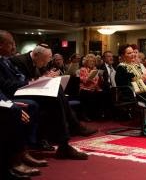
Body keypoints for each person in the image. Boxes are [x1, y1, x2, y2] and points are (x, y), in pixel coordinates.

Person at [0, 30, 90, 160]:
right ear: (1, 45)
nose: (14, 47)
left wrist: (37, 80)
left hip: (23, 89)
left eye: (14, 44)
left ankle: (64, 143)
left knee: (55, 90)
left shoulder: (6, 60)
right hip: (13, 94)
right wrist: (32, 81)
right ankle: (68, 137)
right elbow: (6, 85)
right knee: (53, 95)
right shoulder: (13, 61)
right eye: (11, 44)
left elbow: (19, 78)